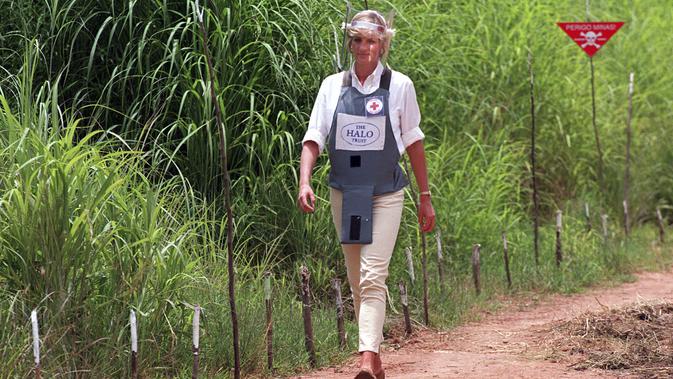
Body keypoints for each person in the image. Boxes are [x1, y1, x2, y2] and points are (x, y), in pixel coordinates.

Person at [297, 9, 435, 379]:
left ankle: (363, 359)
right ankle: (374, 359)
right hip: (346, 192)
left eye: (371, 40)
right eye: (357, 40)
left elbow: (414, 141)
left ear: (382, 44)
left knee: (374, 275)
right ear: (350, 43)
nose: (363, 47)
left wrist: (425, 195)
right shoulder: (332, 86)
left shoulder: (400, 86)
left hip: (386, 193)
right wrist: (305, 181)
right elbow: (314, 137)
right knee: (357, 277)